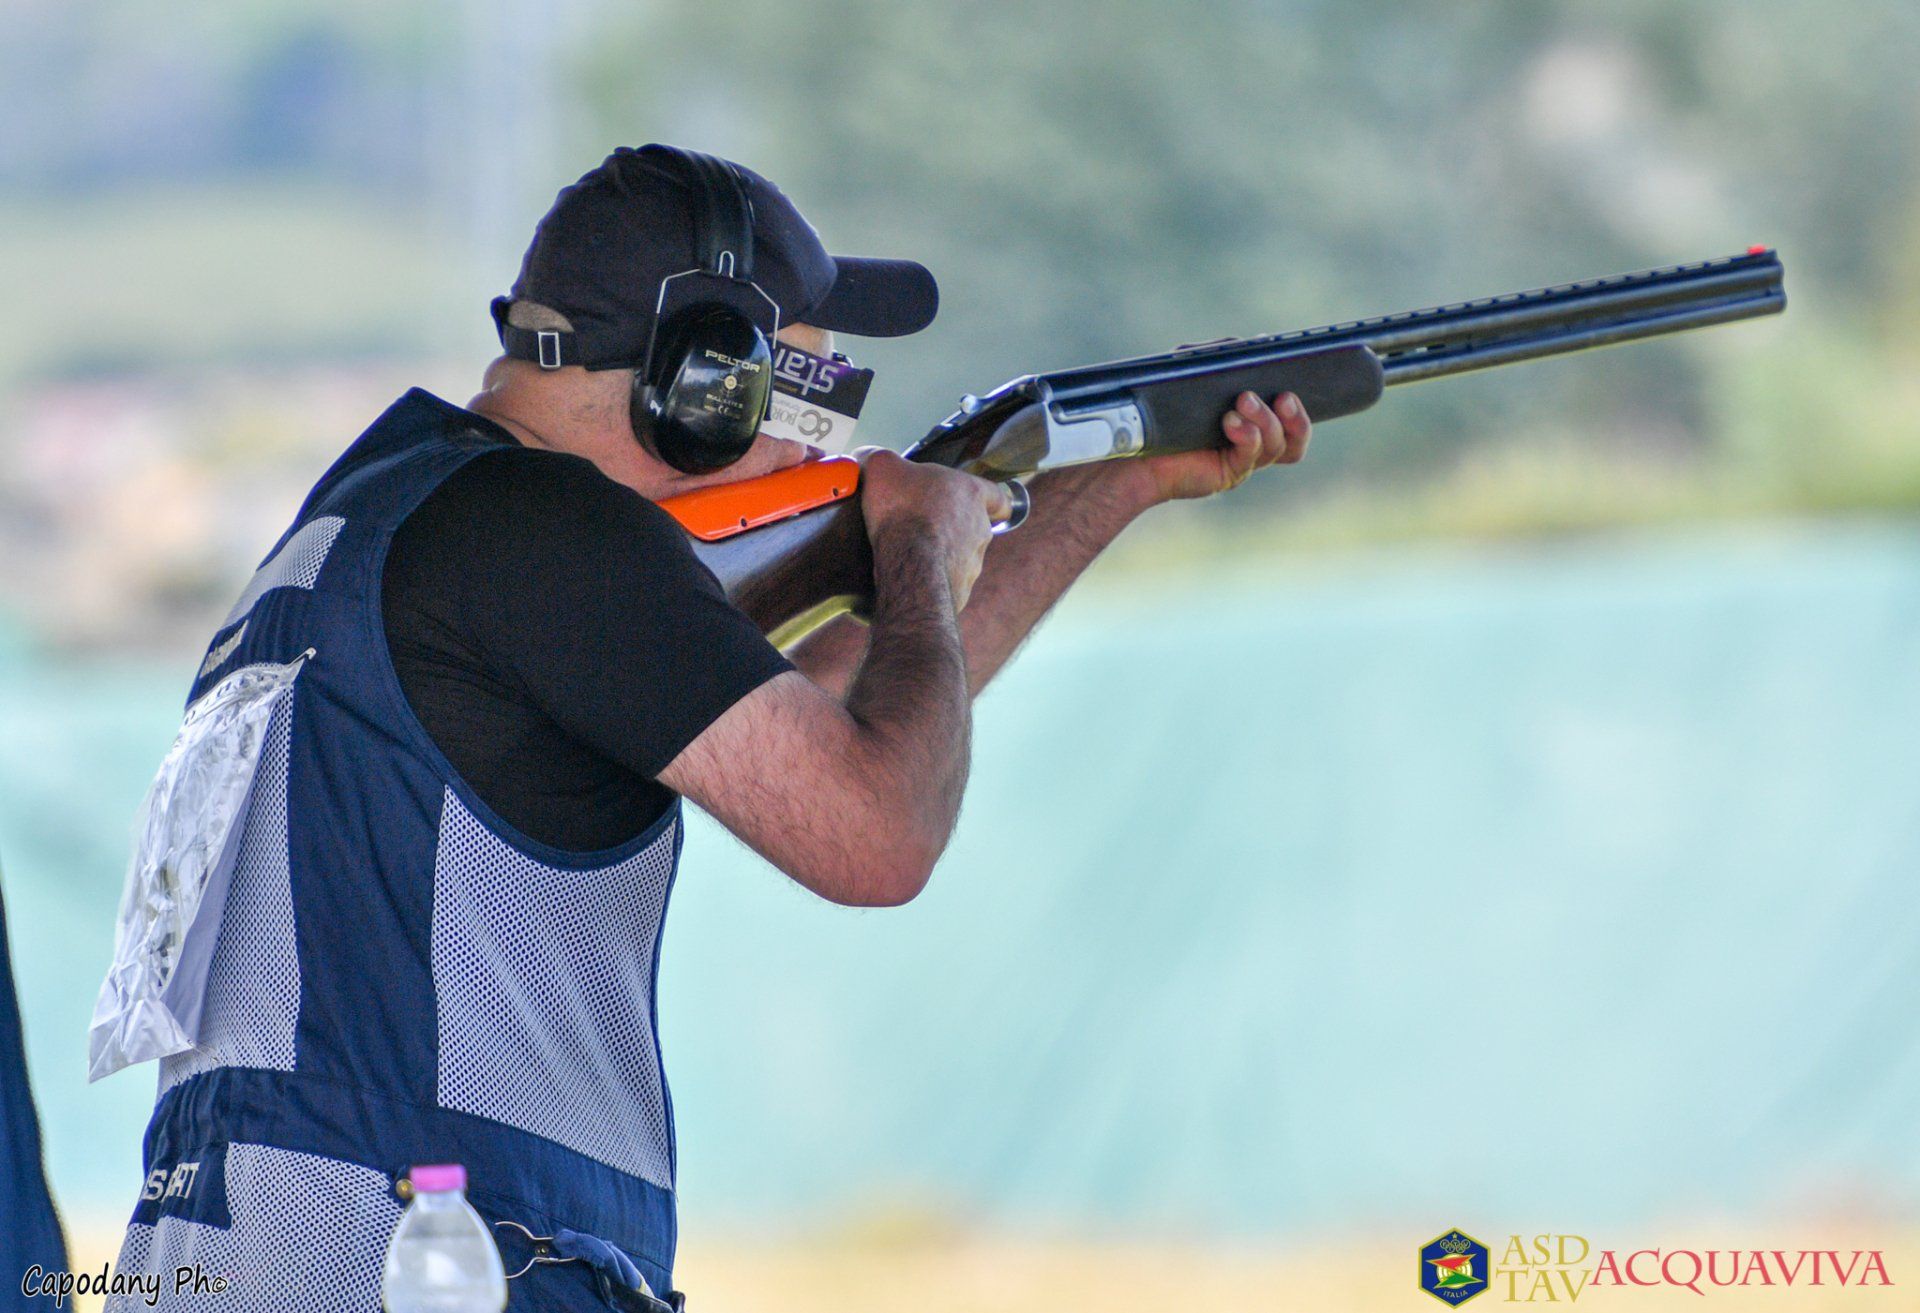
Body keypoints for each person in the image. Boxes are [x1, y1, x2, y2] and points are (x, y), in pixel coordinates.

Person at [98, 144, 1310, 1312]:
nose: (819, 443)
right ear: (702, 385)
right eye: (812, 396)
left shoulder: (392, 515)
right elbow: (877, 831)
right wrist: (910, 545)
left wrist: (1110, 487)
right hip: (421, 1249)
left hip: (244, 1242)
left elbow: (821, 726)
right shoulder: (546, 531)